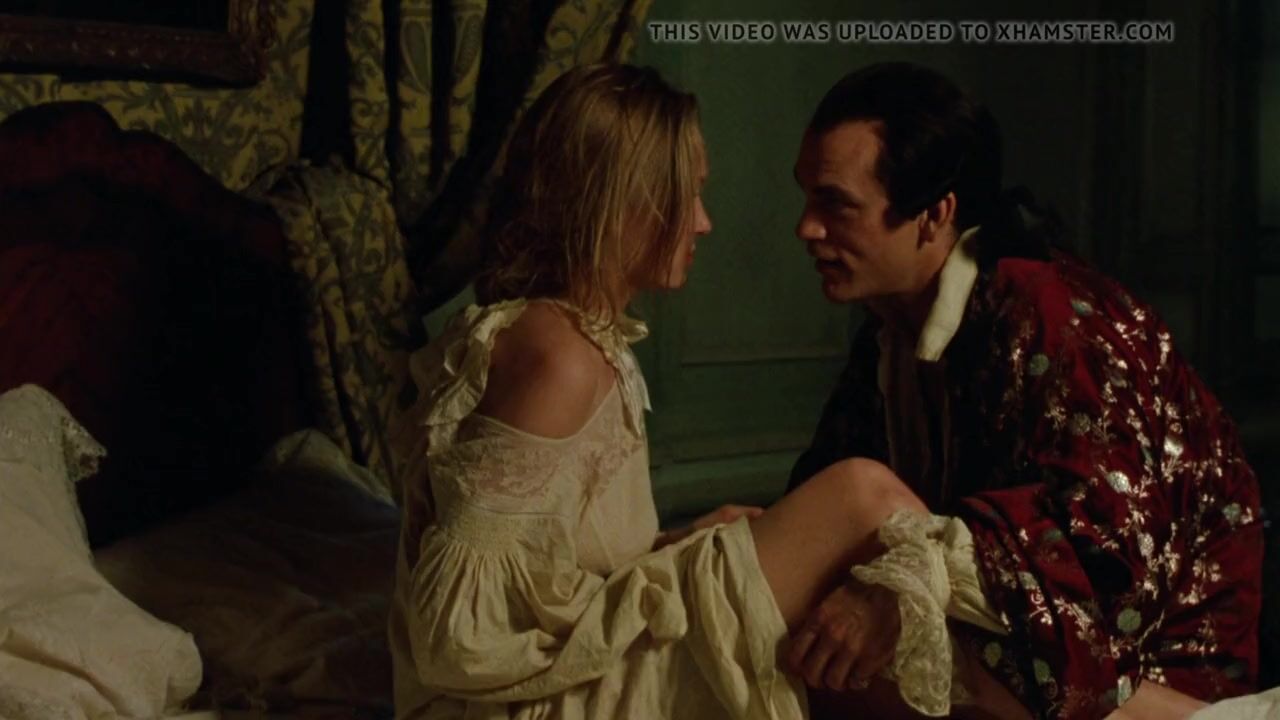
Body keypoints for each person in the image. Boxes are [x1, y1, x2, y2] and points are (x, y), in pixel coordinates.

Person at [388, 63, 1002, 720]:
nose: (703, 223)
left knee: (852, 591)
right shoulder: (558, 356)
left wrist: (673, 547)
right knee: (863, 496)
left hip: (557, 688)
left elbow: (547, 566)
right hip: (530, 709)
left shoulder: (579, 337)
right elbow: (455, 633)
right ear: (621, 203)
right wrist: (672, 577)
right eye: (687, 194)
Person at [786, 61, 1263, 720]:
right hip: (1011, 647)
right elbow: (837, 488)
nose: (807, 228)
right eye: (807, 198)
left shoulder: (1053, 315)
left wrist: (909, 583)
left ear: (934, 214)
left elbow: (1105, 543)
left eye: (835, 203)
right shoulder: (888, 332)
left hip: (1156, 663)